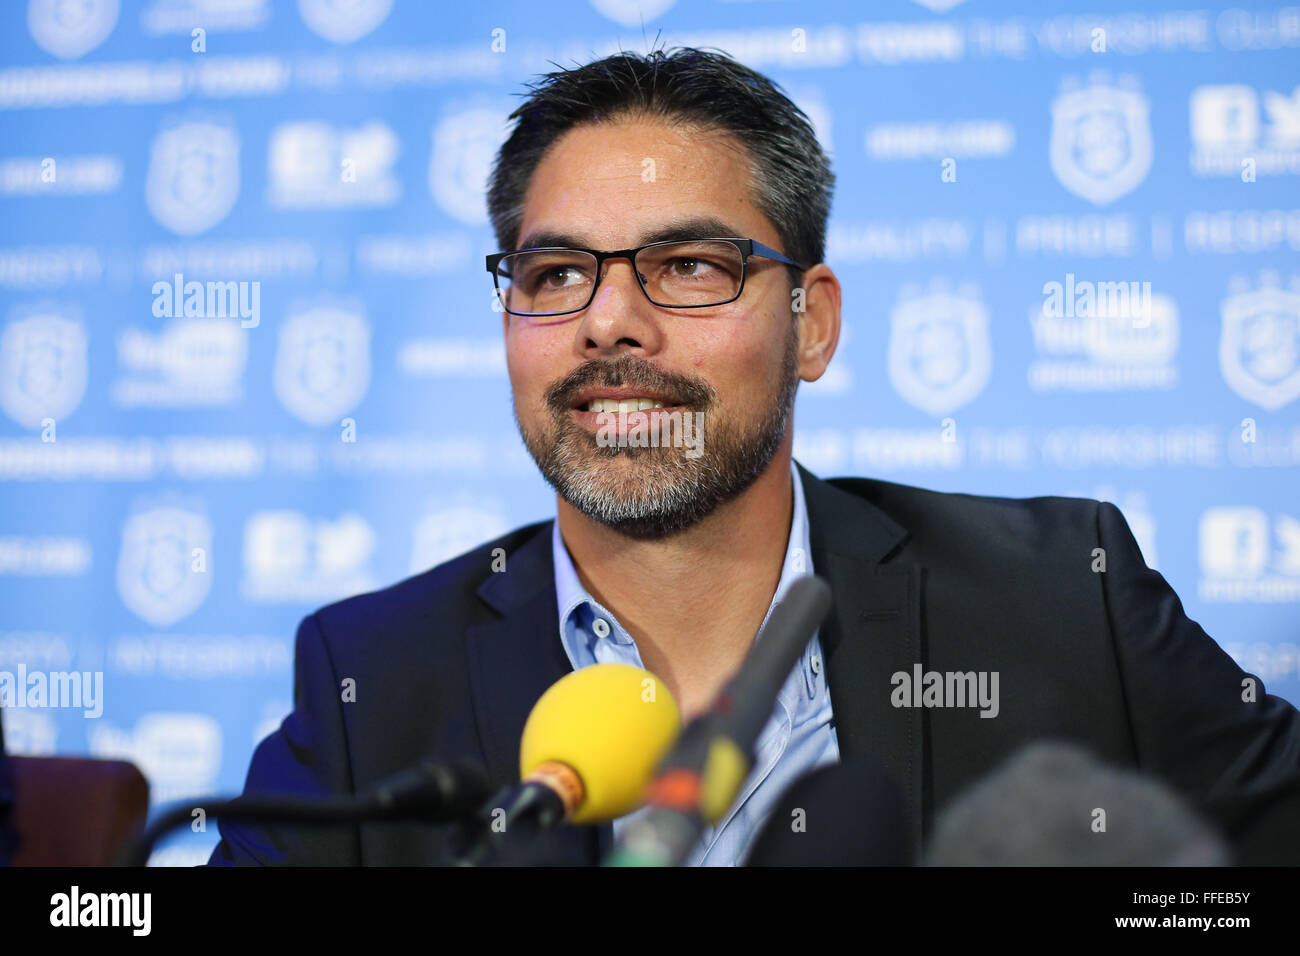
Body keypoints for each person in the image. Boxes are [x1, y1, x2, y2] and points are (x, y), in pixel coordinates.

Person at [209, 47, 1300, 867]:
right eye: (554, 275)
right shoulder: (373, 678)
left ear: (811, 323)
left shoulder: (1065, 593)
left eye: (686, 264)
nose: (609, 322)